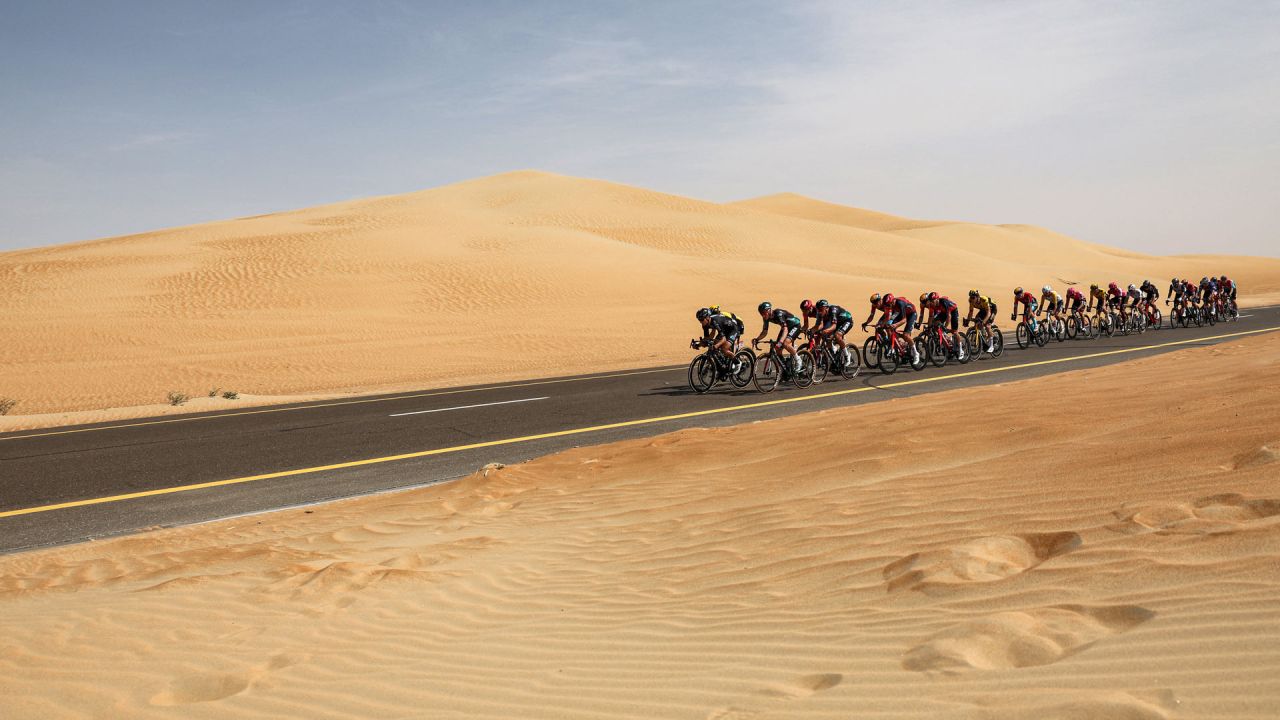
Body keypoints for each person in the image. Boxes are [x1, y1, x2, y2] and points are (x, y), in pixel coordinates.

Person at [862, 293, 921, 364]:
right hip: (897, 312)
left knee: (905, 335)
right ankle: (895, 343)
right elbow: (885, 316)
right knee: (888, 326)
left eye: (876, 303)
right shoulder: (887, 305)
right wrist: (867, 323)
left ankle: (916, 353)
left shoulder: (900, 303)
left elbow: (904, 319)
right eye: (873, 303)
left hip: (911, 314)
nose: (875, 305)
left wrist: (895, 325)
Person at [752, 302, 804, 371]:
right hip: (786, 327)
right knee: (778, 349)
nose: (763, 315)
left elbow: (785, 330)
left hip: (795, 326)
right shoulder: (766, 318)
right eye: (761, 314)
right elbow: (764, 332)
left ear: (769, 310)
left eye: (764, 313)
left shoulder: (778, 314)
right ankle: (785, 368)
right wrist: (757, 339)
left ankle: (798, 360)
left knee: (785, 343)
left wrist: (780, 342)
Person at [694, 308, 741, 373]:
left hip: (733, 329)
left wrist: (716, 345)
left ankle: (738, 363)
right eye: (699, 320)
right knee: (714, 343)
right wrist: (698, 344)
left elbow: (723, 339)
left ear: (707, 317)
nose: (700, 321)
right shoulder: (704, 325)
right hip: (724, 330)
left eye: (702, 319)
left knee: (724, 348)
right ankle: (722, 363)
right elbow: (707, 338)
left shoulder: (715, 321)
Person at [812, 299, 855, 365]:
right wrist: (811, 331)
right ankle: (833, 352)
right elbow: (819, 326)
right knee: (826, 337)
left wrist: (825, 331)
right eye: (818, 310)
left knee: (837, 335)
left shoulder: (833, 310)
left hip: (847, 321)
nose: (819, 312)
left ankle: (847, 355)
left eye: (821, 310)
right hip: (838, 322)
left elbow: (834, 326)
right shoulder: (820, 313)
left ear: (826, 308)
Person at [924, 292, 965, 359]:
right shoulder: (932, 305)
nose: (931, 302)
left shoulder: (943, 302)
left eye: (933, 300)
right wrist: (930, 326)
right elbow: (931, 317)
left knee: (954, 331)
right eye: (930, 301)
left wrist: (945, 327)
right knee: (935, 324)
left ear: (937, 299)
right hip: (943, 312)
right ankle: (946, 339)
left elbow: (949, 316)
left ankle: (961, 350)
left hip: (953, 311)